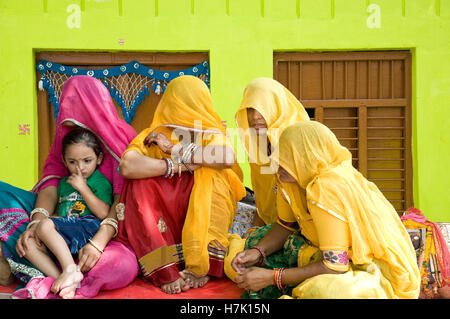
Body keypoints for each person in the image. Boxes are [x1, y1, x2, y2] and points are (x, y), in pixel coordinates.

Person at [231, 121, 421, 299]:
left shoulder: (326, 187)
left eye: (288, 157)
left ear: (307, 156)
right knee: (251, 245)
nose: (278, 165)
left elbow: (335, 266)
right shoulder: (290, 179)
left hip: (371, 268)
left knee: (323, 291)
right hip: (325, 252)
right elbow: (285, 225)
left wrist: (273, 277)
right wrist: (258, 251)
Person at [0, 75, 139, 299]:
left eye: (79, 111)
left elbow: (120, 201)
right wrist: (35, 224)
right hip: (62, 223)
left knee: (122, 264)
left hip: (107, 228)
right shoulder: (65, 136)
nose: (71, 121)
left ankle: (68, 280)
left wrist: (97, 243)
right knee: (2, 194)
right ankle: (61, 276)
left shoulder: (121, 140)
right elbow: (51, 185)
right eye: (67, 112)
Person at [116, 75, 246, 294]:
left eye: (194, 103)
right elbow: (128, 166)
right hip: (164, 209)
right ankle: (164, 267)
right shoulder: (153, 134)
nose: (189, 109)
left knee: (215, 177)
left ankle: (202, 263)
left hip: (193, 203)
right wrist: (177, 167)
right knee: (139, 184)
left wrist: (173, 150)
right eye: (184, 103)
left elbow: (225, 157)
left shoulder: (210, 133)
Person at [22, 128, 113, 299]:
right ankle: (67, 282)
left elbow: (103, 212)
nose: (80, 168)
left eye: (87, 161)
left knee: (45, 224)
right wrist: (51, 221)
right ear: (64, 161)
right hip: (68, 232)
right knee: (29, 245)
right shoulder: (64, 183)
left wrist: (83, 188)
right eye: (72, 162)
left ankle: (71, 270)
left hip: (88, 227)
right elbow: (61, 211)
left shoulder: (99, 181)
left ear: (99, 158)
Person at [235, 77, 309, 228]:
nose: (255, 117)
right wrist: (255, 230)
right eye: (250, 109)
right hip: (277, 226)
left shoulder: (298, 140)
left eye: (263, 108)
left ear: (277, 106)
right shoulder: (258, 144)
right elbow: (264, 199)